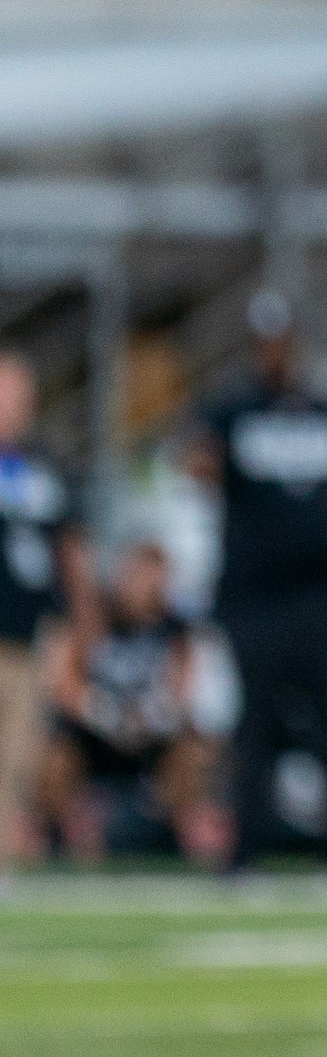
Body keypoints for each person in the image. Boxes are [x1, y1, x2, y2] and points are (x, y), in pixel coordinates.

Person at [186, 294, 327, 874]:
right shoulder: (233, 410)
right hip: (257, 598)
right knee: (255, 727)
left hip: (324, 596)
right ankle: (244, 850)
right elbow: (195, 465)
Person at [39, 537, 216, 865]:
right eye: (139, 575)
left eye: (155, 578)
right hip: (95, 731)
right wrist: (104, 712)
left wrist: (152, 715)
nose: (146, 586)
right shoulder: (96, 618)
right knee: (54, 757)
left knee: (195, 752)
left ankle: (170, 833)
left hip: (149, 731)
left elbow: (183, 687)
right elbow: (65, 681)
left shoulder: (174, 627)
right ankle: (62, 837)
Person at [0, 349, 96, 873]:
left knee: (18, 758)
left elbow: (71, 556)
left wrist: (77, 636)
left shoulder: (45, 466)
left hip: (29, 632)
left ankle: (3, 862)